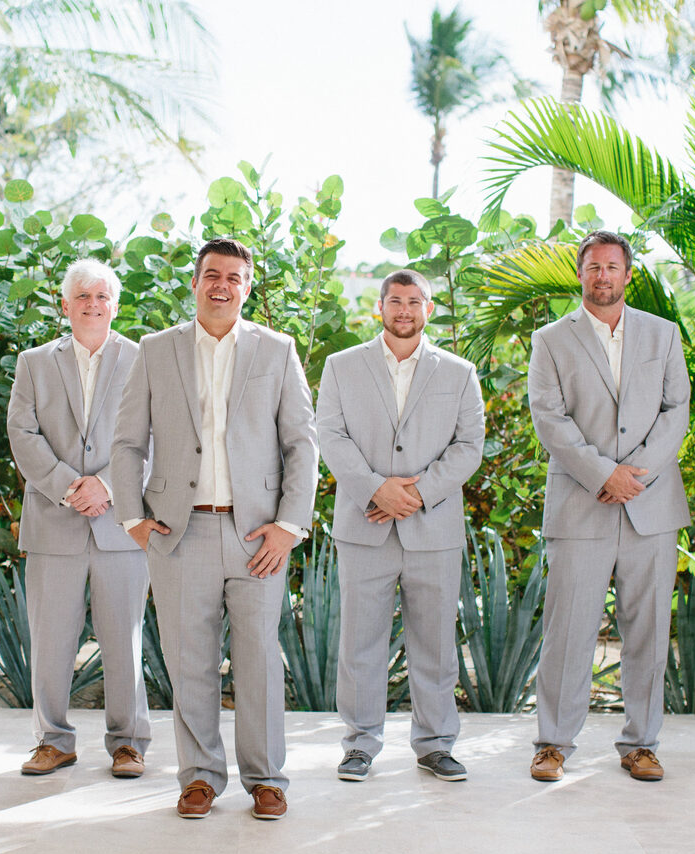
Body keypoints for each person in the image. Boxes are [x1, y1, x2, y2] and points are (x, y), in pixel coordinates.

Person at [111, 237, 318, 820]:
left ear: (247, 287)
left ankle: (267, 778)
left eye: (233, 277)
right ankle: (199, 776)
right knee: (189, 661)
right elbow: (127, 442)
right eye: (211, 275)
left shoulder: (277, 350)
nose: (221, 285)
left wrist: (289, 526)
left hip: (258, 537)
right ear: (195, 282)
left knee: (259, 659)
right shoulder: (156, 350)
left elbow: (301, 443)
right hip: (180, 534)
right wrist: (134, 519)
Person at [527, 230, 691, 782]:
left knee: (647, 629)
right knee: (569, 628)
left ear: (628, 274)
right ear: (581, 273)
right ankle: (553, 743)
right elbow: (549, 417)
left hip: (651, 505)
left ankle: (641, 743)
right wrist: (603, 474)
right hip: (582, 504)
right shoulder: (551, 340)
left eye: (613, 267)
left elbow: (677, 412)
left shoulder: (664, 335)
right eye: (593, 267)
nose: (603, 277)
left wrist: (633, 476)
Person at [316, 269, 484, 783]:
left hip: (432, 528)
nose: (404, 310)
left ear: (428, 308)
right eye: (395, 301)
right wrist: (375, 488)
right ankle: (359, 745)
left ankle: (435, 744)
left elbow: (468, 445)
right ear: (380, 308)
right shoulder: (342, 367)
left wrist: (414, 494)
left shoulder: (459, 372)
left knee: (434, 641)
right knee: (360, 642)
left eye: (415, 302)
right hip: (364, 525)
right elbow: (329, 433)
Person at [8, 259, 151, 778]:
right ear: (64, 305)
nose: (93, 304)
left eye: (103, 296)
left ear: (115, 304)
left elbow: (156, 435)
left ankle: (128, 742)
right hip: (54, 520)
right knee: (50, 639)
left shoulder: (143, 359)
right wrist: (72, 486)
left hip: (122, 525)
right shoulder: (33, 362)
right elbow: (22, 434)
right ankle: (52, 740)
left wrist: (106, 485)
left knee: (124, 640)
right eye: (82, 296)